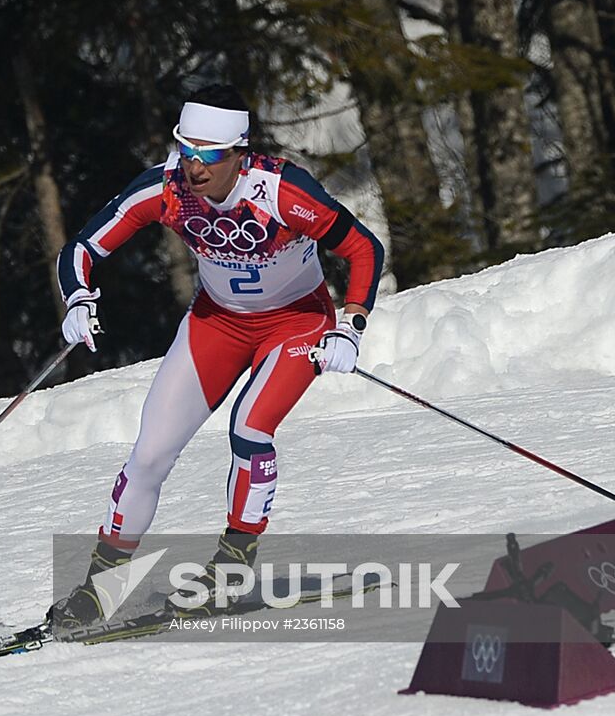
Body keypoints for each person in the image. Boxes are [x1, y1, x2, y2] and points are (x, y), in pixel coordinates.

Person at [47, 85, 385, 629]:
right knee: (149, 453)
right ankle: (102, 586)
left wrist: (352, 326)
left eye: (209, 155)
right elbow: (82, 249)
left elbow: (363, 246)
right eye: (186, 150)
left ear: (239, 153)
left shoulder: (282, 191)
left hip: (296, 322)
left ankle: (230, 571)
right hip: (217, 323)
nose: (194, 167)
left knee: (249, 428)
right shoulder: (166, 188)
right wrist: (79, 298)